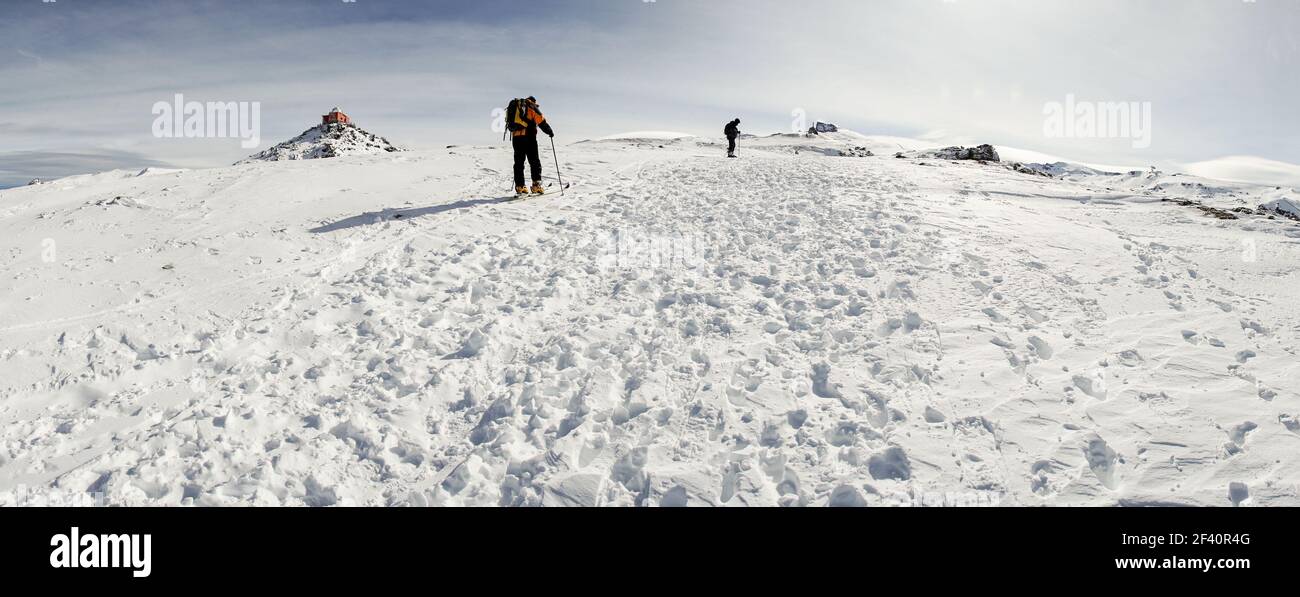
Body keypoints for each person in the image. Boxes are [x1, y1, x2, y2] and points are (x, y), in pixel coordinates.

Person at [506, 96, 555, 195]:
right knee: (534, 161)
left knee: (519, 162)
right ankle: (536, 186)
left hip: (516, 139)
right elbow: (541, 121)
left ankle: (520, 186)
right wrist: (549, 131)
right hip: (529, 138)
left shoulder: (516, 107)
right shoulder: (531, 106)